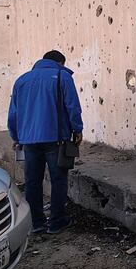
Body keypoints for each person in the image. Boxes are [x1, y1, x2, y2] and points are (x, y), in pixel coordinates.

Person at [7, 50, 83, 234]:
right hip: (56, 139)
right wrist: (77, 129)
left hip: (29, 141)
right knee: (58, 180)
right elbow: (72, 107)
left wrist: (16, 137)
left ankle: (36, 222)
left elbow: (14, 113)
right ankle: (57, 222)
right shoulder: (62, 77)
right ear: (60, 62)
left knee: (32, 181)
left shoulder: (22, 80)